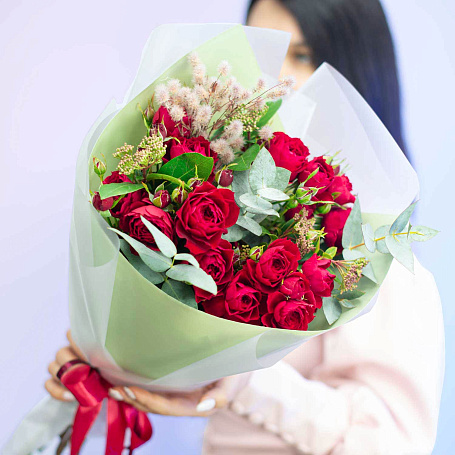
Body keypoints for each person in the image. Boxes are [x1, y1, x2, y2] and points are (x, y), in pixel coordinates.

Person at [46, 1, 444, 453]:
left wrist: (242, 381)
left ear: (358, 67)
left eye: (303, 55)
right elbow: (181, 381)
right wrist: (107, 372)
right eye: (263, 52)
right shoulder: (245, 218)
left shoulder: (378, 268)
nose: (278, 80)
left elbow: (390, 443)